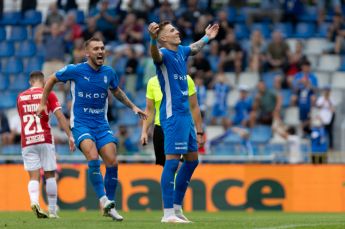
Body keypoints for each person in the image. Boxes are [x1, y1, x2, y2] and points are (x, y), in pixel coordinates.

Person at [36, 37, 147, 221]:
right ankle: (103, 200)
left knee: (112, 162)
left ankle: (110, 205)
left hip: (101, 125)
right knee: (93, 156)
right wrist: (42, 104)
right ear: (87, 53)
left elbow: (116, 91)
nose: (100, 51)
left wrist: (133, 107)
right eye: (96, 49)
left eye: (102, 48)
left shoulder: (109, 72)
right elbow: (51, 80)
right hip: (81, 124)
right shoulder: (75, 70)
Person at [148, 21, 219, 223]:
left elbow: (194, 48)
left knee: (192, 160)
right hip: (172, 116)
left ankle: (177, 209)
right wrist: (152, 39)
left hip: (185, 116)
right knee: (171, 164)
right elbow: (154, 55)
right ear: (163, 38)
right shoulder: (162, 54)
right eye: (171, 30)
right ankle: (167, 214)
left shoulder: (180, 51)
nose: (177, 31)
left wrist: (207, 37)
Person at [17, 71, 75, 219]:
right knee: (50, 175)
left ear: (30, 82)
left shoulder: (20, 97)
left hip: (27, 141)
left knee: (33, 176)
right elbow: (60, 116)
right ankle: (52, 210)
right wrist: (70, 135)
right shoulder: (48, 94)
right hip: (45, 138)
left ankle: (34, 202)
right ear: (43, 82)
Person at [140, 75, 204, 167]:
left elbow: (194, 107)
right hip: (160, 129)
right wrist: (144, 132)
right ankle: (172, 181)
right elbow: (149, 110)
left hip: (180, 128)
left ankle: (177, 181)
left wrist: (199, 132)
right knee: (166, 166)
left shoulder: (186, 79)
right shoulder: (152, 82)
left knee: (179, 164)